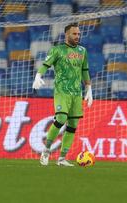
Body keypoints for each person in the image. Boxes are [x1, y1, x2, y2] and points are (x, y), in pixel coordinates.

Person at [32, 23, 93, 167]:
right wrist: (38, 75)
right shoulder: (57, 50)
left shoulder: (82, 51)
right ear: (67, 35)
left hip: (76, 93)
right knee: (60, 118)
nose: (77, 36)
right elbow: (46, 64)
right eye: (74, 34)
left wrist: (89, 88)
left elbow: (85, 70)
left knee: (72, 125)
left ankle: (62, 158)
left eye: (78, 34)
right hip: (62, 91)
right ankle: (46, 151)